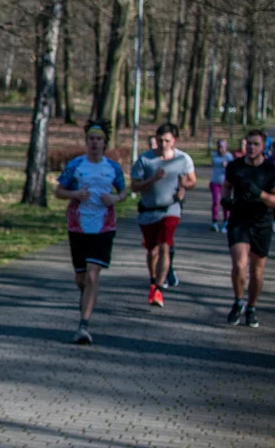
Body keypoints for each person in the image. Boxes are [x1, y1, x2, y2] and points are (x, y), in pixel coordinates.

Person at [54, 121, 128, 345]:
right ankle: (85, 295)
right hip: (78, 226)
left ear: (105, 143)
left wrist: (114, 198)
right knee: (81, 277)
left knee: (92, 274)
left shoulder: (112, 168)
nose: (95, 143)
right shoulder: (76, 165)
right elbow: (58, 191)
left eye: (99, 139)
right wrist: (75, 194)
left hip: (104, 226)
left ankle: (83, 326)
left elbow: (124, 191)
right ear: (86, 142)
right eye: (91, 139)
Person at [222, 128, 275, 327]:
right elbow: (227, 185)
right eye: (249, 143)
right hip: (239, 220)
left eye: (256, 144)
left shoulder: (270, 170)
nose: (251, 147)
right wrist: (226, 200)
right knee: (239, 264)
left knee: (257, 270)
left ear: (263, 146)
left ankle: (251, 307)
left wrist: (260, 194)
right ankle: (238, 301)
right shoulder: (235, 166)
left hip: (261, 223)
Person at [130, 123, 196, 307]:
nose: (163, 144)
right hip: (148, 211)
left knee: (164, 246)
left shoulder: (183, 159)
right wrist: (153, 179)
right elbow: (134, 186)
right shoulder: (145, 160)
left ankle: (158, 288)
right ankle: (153, 281)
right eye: (160, 140)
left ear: (174, 141)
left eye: (167, 141)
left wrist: (184, 188)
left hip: (170, 209)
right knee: (152, 250)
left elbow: (192, 181)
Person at [210, 139, 233, 233]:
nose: (221, 150)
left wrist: (227, 166)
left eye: (223, 147)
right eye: (219, 147)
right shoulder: (214, 155)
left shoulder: (229, 156)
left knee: (225, 203)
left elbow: (232, 169)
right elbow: (213, 163)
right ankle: (214, 221)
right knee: (216, 202)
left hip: (225, 183)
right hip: (215, 182)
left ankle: (226, 221)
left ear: (226, 148)